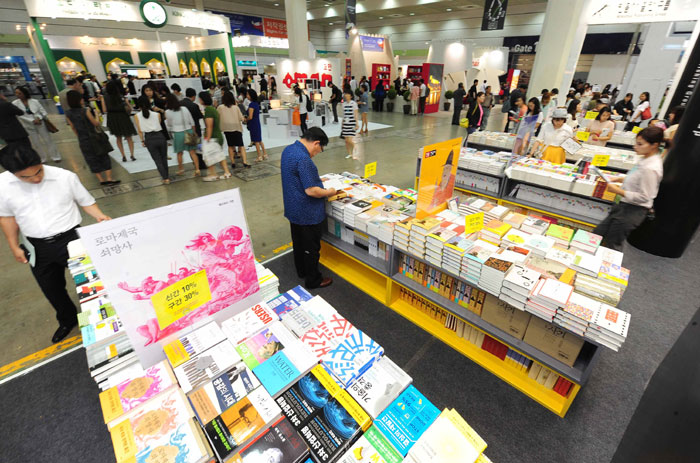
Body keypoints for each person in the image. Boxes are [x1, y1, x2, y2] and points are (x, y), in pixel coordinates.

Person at [0, 143, 111, 343]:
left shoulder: (64, 177)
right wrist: (14, 246)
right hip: (36, 246)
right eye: (26, 177)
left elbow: (86, 201)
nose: (36, 178)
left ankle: (96, 321)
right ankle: (67, 320)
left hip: (71, 240)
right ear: (11, 173)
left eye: (38, 171)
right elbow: (7, 218)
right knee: (51, 288)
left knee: (88, 284)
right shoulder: (2, 185)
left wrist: (100, 216)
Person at [280, 127, 335, 289]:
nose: (316, 153)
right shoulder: (304, 159)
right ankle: (313, 280)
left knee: (298, 243)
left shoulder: (289, 150)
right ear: (316, 143)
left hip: (293, 207)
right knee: (311, 247)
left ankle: (302, 271)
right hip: (307, 212)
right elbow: (312, 190)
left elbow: (295, 177)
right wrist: (330, 191)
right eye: (319, 150)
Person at [593, 127, 664, 251]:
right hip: (623, 206)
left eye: (640, 144)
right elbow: (638, 178)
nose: (635, 146)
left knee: (612, 244)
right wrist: (621, 179)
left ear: (654, 145)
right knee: (596, 235)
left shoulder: (651, 168)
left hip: (633, 210)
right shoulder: (645, 159)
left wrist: (617, 190)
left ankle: (609, 268)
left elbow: (644, 197)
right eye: (636, 142)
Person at [65, 90, 119, 185]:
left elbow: (73, 127)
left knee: (91, 159)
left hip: (83, 139)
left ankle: (101, 180)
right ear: (78, 100)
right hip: (95, 138)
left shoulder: (68, 113)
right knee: (103, 156)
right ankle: (109, 178)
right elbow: (96, 124)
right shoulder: (85, 111)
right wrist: (97, 114)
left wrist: (80, 136)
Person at [12, 86, 62, 163]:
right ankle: (42, 158)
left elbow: (43, 111)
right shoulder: (15, 103)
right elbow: (19, 116)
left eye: (20, 93)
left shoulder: (34, 101)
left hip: (40, 123)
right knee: (36, 143)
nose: (18, 95)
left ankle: (55, 156)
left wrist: (39, 118)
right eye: (16, 93)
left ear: (25, 93)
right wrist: (32, 121)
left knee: (48, 140)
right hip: (28, 126)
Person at [134, 95, 170, 184]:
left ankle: (165, 178)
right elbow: (159, 124)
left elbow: (139, 130)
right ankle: (167, 176)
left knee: (157, 160)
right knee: (164, 158)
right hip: (160, 136)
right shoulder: (157, 114)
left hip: (149, 138)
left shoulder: (137, 116)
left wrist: (142, 140)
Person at [165, 93, 200, 177]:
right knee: (192, 152)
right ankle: (197, 169)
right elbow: (192, 122)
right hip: (189, 131)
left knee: (179, 153)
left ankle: (181, 169)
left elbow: (169, 125)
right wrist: (194, 132)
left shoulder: (167, 112)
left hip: (178, 133)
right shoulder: (184, 109)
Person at [199, 91, 232, 181]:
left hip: (213, 137)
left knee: (208, 156)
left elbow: (209, 126)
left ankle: (213, 174)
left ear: (202, 100)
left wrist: (207, 138)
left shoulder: (208, 110)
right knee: (219, 155)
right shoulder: (213, 109)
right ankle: (226, 172)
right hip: (217, 136)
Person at [102, 79, 136, 162]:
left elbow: (104, 110)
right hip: (123, 116)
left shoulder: (104, 97)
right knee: (128, 137)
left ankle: (123, 155)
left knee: (118, 137)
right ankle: (132, 155)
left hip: (112, 118)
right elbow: (129, 108)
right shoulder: (120, 96)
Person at [218, 90, 249, 169]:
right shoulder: (236, 107)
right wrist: (245, 118)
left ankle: (232, 162)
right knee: (241, 146)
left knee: (230, 146)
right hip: (237, 129)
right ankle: (245, 162)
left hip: (227, 129)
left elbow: (217, 117)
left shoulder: (220, 107)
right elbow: (242, 118)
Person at [245, 89, 268, 162]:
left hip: (253, 124)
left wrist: (245, 119)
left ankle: (259, 156)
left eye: (248, 94)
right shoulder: (256, 103)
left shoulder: (251, 104)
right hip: (257, 123)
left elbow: (250, 116)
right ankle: (264, 154)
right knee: (259, 140)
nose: (247, 96)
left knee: (256, 141)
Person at [341, 91, 359, 159]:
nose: (346, 96)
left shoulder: (354, 104)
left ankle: (356, 149)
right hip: (345, 123)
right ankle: (350, 153)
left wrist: (357, 124)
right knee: (346, 140)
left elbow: (356, 114)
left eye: (348, 95)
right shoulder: (344, 104)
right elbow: (343, 115)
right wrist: (342, 124)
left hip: (352, 123)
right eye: (346, 94)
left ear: (351, 96)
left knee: (350, 140)